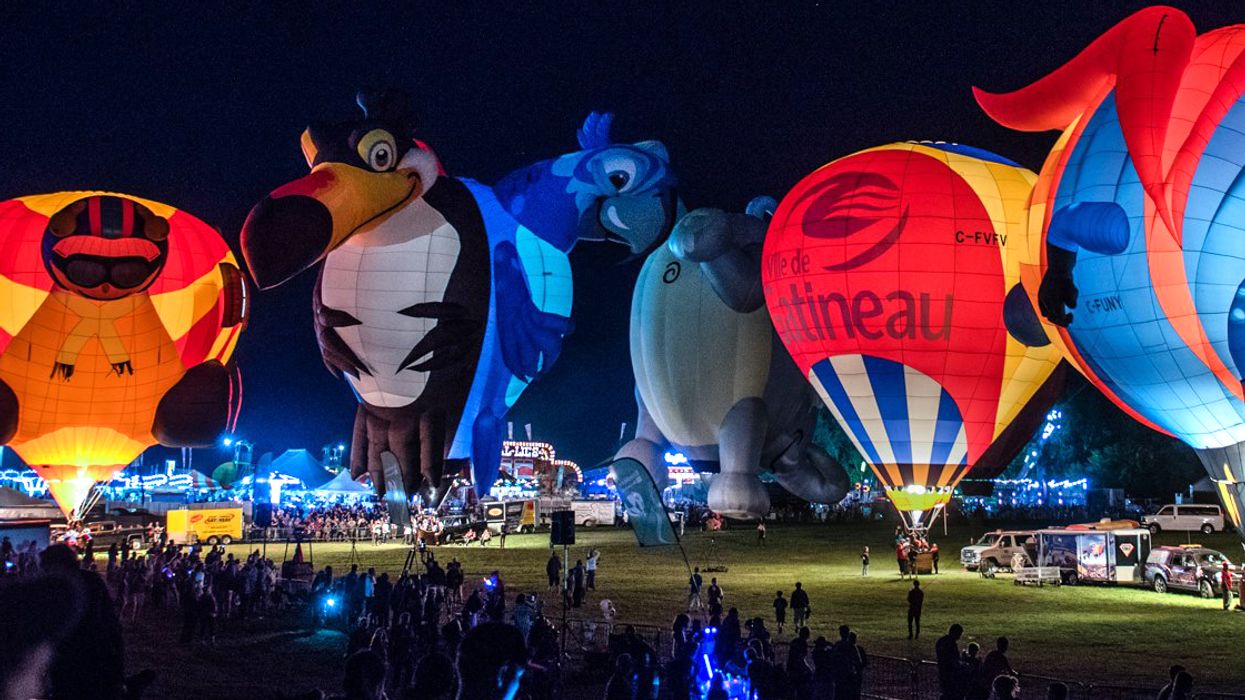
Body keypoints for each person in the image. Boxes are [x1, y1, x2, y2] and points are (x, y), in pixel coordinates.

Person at [40, 544, 126, 700]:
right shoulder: (93, 581)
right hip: (99, 658)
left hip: (73, 662)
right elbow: (112, 623)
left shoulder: (55, 588)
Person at [935, 624, 964, 700]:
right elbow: (954, 661)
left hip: (943, 671)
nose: (959, 637)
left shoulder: (941, 641)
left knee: (946, 692)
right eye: (959, 634)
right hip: (951, 674)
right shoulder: (951, 643)